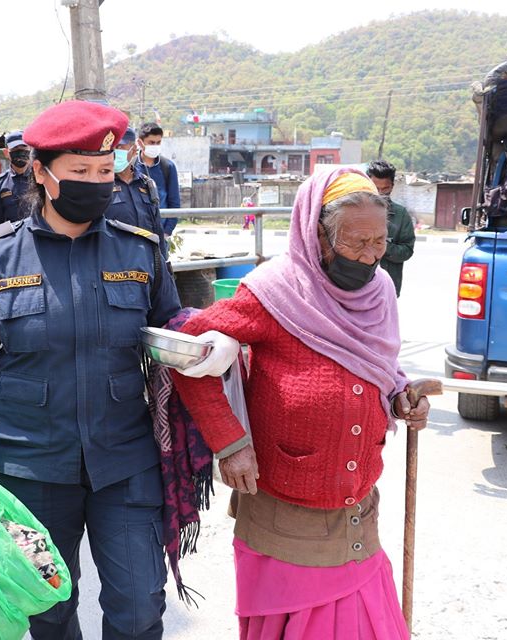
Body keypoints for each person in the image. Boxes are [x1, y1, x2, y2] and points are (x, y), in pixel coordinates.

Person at [0, 100, 232, 639]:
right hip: (32, 466)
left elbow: (172, 329)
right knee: (46, 606)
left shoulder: (139, 251)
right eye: (80, 172)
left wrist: (206, 344)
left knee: (141, 605)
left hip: (125, 458)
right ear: (43, 174)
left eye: (105, 172)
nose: (97, 184)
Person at [172, 169, 432, 639]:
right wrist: (230, 442)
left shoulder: (380, 293)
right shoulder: (274, 292)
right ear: (317, 234)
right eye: (356, 244)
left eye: (379, 243)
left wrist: (400, 397)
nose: (371, 257)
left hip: (357, 507)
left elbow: (381, 365)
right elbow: (188, 352)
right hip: (286, 511)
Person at [105, 126, 169, 258]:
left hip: (146, 263)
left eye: (120, 147)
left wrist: (164, 263)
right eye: (112, 148)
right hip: (114, 263)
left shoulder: (147, 185)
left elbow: (157, 228)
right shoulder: (102, 184)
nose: (115, 152)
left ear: (134, 150)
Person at [367, 160, 415, 297]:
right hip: (357, 286)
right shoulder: (353, 212)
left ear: (392, 186)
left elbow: (407, 251)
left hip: (386, 290)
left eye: (385, 189)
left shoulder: (401, 214)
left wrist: (383, 246)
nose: (380, 193)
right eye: (376, 188)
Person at [135, 123, 180, 238]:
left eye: (158, 142)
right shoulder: (132, 166)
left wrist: (167, 232)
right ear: (140, 142)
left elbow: (174, 202)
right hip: (136, 232)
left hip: (160, 232)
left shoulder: (168, 167)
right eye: (151, 142)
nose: (155, 146)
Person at [0, 131, 33, 226]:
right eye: (15, 148)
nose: (20, 152)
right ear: (6, 153)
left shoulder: (41, 178)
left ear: (30, 149)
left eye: (23, 147)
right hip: (12, 237)